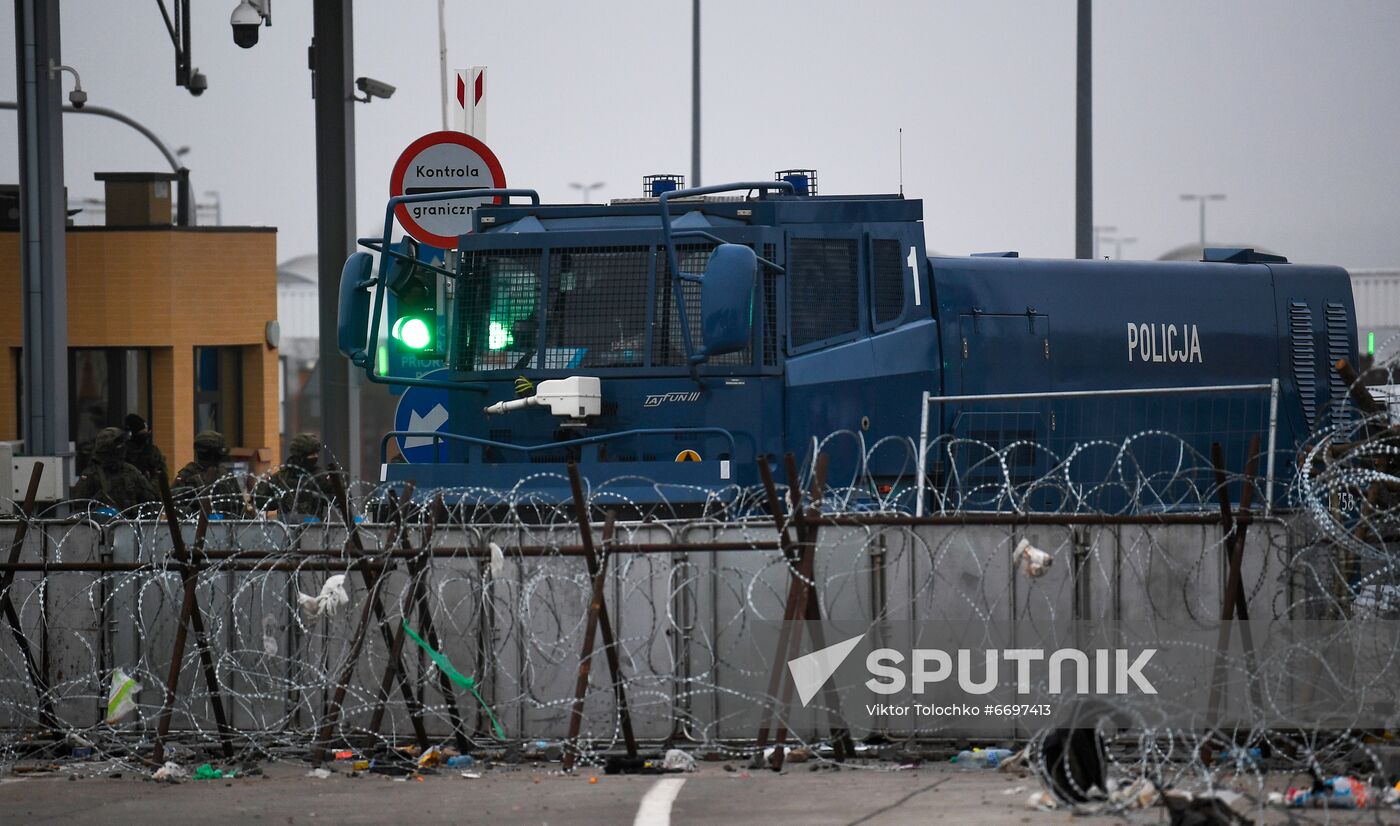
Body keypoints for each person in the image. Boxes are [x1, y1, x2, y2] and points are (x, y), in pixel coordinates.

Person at [71, 427, 159, 512]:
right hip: (101, 524)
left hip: (129, 524)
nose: (122, 446)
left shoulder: (130, 471)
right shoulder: (91, 474)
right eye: (118, 443)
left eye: (122, 443)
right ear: (106, 448)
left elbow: (150, 500)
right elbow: (79, 506)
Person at [255, 432, 335, 520]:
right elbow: (259, 500)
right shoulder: (282, 477)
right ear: (299, 456)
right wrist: (280, 501)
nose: (315, 457)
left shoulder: (320, 476)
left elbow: (341, 499)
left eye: (316, 453)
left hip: (313, 529)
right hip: (285, 529)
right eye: (311, 454)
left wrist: (319, 497)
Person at [172, 430, 247, 517]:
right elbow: (174, 507)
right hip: (194, 527)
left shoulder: (225, 476)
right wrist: (199, 513)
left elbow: (239, 507)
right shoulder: (188, 475)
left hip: (226, 526)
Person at [124, 414, 168, 484]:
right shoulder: (122, 451)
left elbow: (161, 476)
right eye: (142, 432)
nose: (146, 435)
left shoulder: (152, 451)